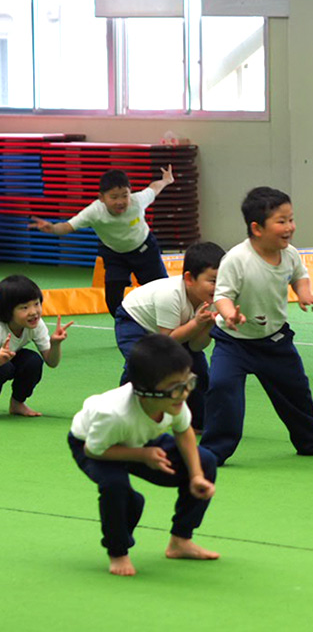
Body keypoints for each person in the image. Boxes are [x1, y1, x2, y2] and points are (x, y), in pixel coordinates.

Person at [200, 187, 313, 465]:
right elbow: (223, 295)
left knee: (296, 392)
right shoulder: (236, 259)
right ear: (257, 228)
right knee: (221, 388)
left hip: (275, 341)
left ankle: (311, 443)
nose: (290, 227)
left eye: (291, 219)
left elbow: (299, 276)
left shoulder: (289, 254)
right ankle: (213, 452)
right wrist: (229, 314)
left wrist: (303, 293)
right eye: (281, 221)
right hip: (234, 342)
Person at [67, 333, 219, 577]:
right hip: (95, 443)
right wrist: (142, 455)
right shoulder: (114, 413)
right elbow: (94, 450)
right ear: (144, 391)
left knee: (206, 460)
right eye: (175, 387)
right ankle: (118, 552)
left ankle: (180, 541)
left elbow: (184, 432)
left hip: (141, 438)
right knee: (117, 488)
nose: (184, 393)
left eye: (187, 382)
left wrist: (197, 475)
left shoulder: (174, 400)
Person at [29, 166, 175, 316]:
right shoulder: (94, 211)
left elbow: (153, 188)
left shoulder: (138, 201)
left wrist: (166, 180)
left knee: (162, 293)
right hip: (115, 256)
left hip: (145, 250)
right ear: (101, 198)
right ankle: (127, 325)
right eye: (114, 197)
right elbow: (68, 226)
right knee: (113, 301)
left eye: (125, 195)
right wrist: (52, 228)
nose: (120, 202)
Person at [114, 241, 225, 431]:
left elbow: (197, 347)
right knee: (144, 363)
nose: (219, 287)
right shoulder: (171, 294)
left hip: (177, 329)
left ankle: (199, 421)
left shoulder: (215, 300)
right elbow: (166, 343)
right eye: (214, 281)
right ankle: (120, 411)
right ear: (189, 279)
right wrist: (197, 323)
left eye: (224, 281)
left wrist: (207, 326)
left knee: (197, 369)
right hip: (135, 321)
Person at [0, 275, 72, 417]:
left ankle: (17, 404)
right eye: (24, 307)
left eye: (37, 304)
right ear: (7, 311)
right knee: (4, 367)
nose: (33, 312)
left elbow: (51, 362)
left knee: (32, 361)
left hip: (6, 358)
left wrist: (55, 344)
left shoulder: (36, 325)